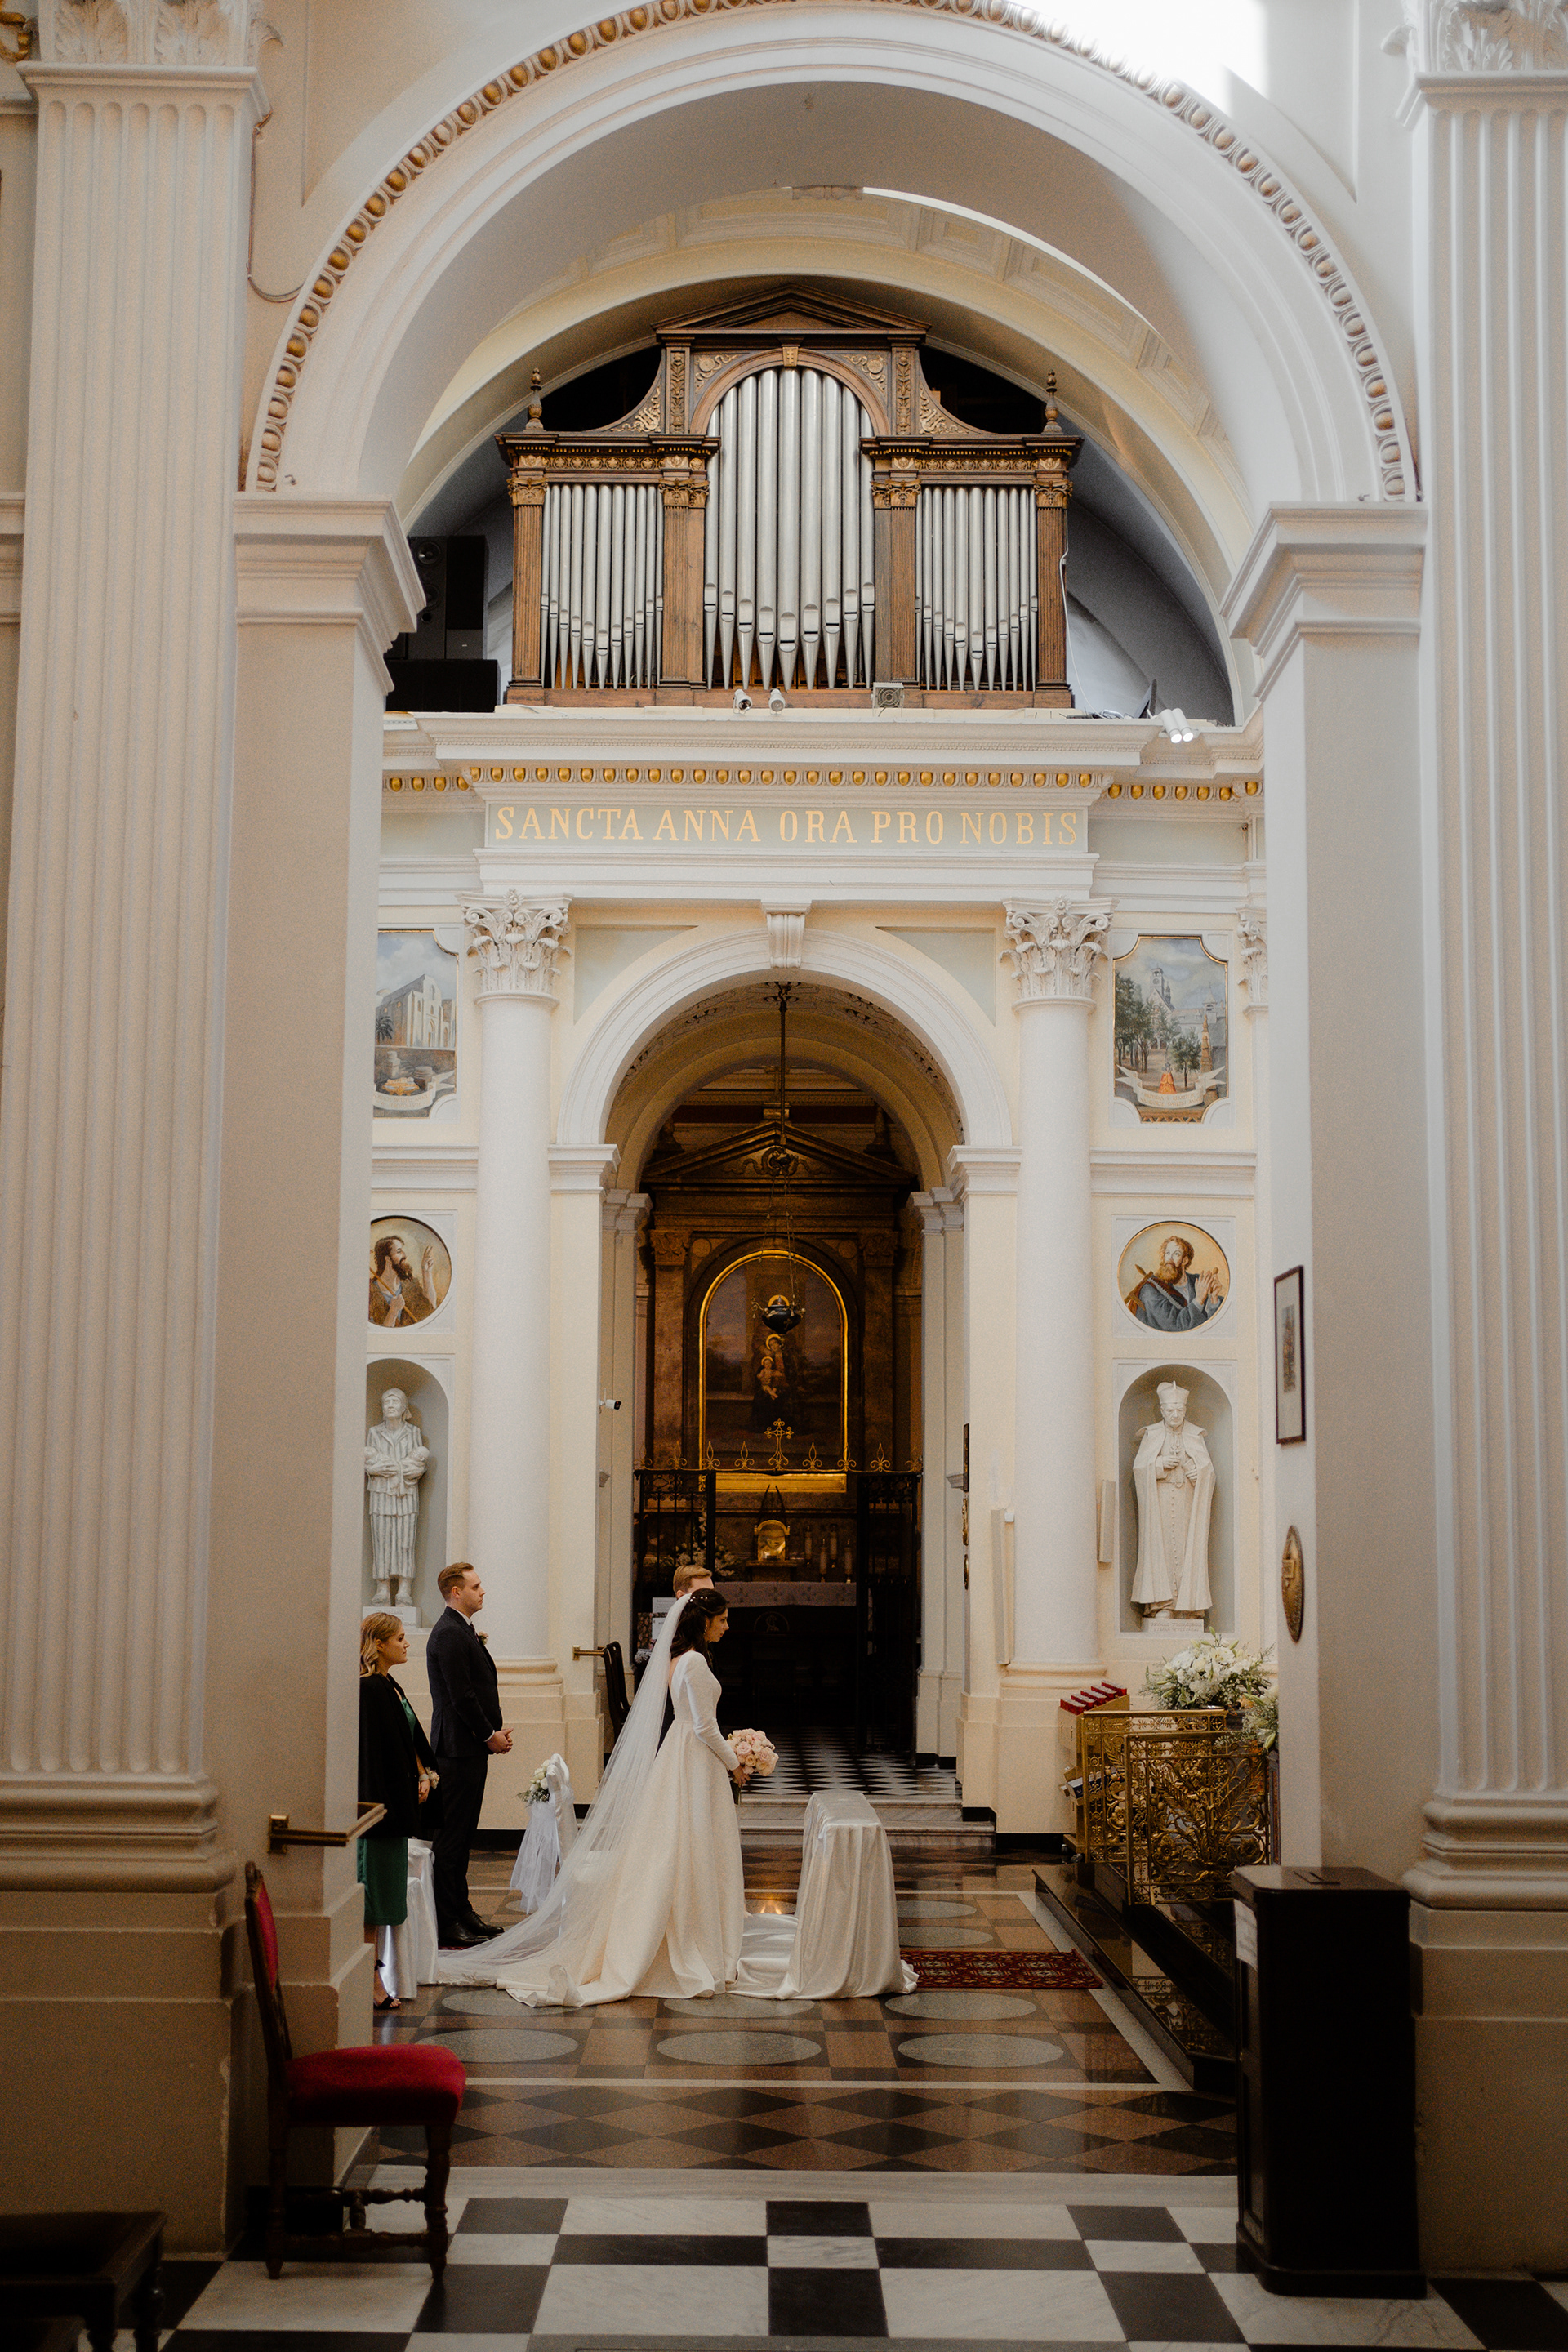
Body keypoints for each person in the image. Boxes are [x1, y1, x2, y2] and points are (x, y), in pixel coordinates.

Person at [438, 1588, 754, 2007]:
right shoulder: (694, 1661)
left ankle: (690, 1929)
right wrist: (734, 1762)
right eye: (723, 1619)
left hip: (683, 1758)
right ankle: (693, 1938)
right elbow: (703, 1726)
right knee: (691, 1844)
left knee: (680, 1846)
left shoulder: (680, 1659)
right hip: (693, 1759)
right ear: (705, 1621)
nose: (727, 1626)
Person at [425, 1561, 512, 1949]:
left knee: (463, 1838)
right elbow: (461, 1695)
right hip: (456, 1750)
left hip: (468, 1749)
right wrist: (489, 1735)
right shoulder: (448, 1633)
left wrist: (491, 1733)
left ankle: (462, 1912)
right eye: (475, 1586)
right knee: (451, 1840)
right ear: (456, 1592)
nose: (483, 1591)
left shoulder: (463, 1629)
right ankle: (447, 1921)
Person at [357, 1612, 439, 2011]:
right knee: (371, 1903)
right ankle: (369, 1981)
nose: (407, 1644)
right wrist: (383, 1806)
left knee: (382, 1901)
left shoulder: (388, 1684)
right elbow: (373, 1756)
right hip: (379, 1813)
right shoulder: (369, 1688)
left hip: (393, 1810)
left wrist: (423, 1772)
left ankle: (373, 1977)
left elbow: (409, 1738)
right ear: (379, 1644)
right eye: (400, 1638)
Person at [1125, 1232, 1226, 1332]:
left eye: (1176, 1254)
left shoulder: (1198, 1282)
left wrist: (1214, 1299)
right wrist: (1199, 1300)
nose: (1170, 1258)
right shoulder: (1151, 1289)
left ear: (1185, 1261)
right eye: (1167, 1253)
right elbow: (1175, 1327)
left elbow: (1211, 1326)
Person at [369, 1232, 437, 1328]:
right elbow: (374, 1332)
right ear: (388, 1259)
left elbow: (430, 1308)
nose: (404, 1255)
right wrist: (393, 1312)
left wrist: (427, 1273)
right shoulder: (370, 1291)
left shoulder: (410, 1285)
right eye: (399, 1251)